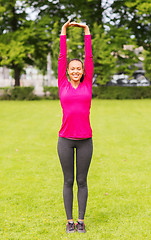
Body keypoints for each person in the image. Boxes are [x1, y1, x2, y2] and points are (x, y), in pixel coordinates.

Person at [57, 19, 93, 233]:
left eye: (79, 68)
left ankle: (81, 220)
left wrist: (86, 31)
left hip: (85, 141)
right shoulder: (62, 82)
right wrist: (63, 32)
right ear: (68, 71)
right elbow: (62, 57)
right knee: (68, 180)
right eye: (73, 68)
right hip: (65, 140)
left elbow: (88, 57)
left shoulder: (87, 82)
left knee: (82, 181)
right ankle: (69, 221)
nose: (76, 71)